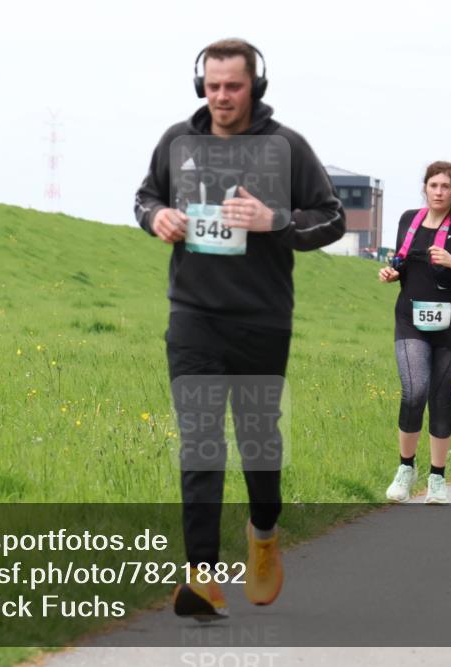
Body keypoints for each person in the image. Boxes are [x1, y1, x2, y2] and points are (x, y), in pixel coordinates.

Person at [134, 38, 345, 619]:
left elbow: (331, 218)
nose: (221, 96)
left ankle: (265, 534)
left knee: (258, 443)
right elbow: (144, 196)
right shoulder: (177, 142)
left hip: (262, 319)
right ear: (199, 84)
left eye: (233, 85)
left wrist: (273, 219)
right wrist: (159, 217)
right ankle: (201, 576)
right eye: (212, 85)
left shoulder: (286, 147)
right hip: (194, 316)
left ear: (256, 87)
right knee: (201, 440)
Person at [378, 161, 451, 505]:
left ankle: (437, 479)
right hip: (411, 320)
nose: (439, 192)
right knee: (414, 392)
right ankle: (405, 469)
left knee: (440, 399)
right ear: (424, 187)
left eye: (446, 186)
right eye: (433, 185)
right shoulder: (408, 221)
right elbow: (404, 261)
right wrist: (393, 274)